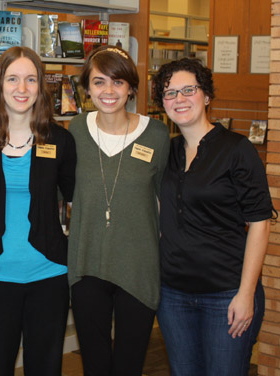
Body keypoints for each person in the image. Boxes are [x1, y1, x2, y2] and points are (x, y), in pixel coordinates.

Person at [0, 46, 76, 376]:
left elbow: (78, 198)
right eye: (13, 79)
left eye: (30, 79)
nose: (22, 89)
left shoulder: (59, 140)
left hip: (49, 275)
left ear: (41, 86)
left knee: (46, 369)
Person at [152, 58, 274, 376]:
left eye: (188, 90)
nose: (179, 99)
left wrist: (246, 294)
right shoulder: (167, 151)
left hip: (226, 294)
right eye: (170, 93)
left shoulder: (237, 149)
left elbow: (260, 224)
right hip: (173, 295)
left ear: (206, 95)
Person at [67, 45, 170, 376]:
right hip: (87, 265)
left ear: (131, 88)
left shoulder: (156, 134)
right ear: (86, 88)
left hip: (138, 267)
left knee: (129, 365)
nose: (108, 91)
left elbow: (167, 201)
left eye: (118, 82)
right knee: (95, 365)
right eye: (99, 82)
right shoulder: (76, 131)